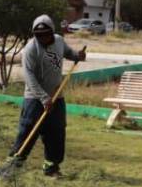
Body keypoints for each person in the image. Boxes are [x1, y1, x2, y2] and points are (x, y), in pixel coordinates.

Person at [9, 14, 86, 177]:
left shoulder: (58, 40)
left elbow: (68, 52)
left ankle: (51, 166)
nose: (43, 38)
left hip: (56, 97)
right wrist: (44, 98)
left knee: (56, 132)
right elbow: (29, 77)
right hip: (35, 98)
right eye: (39, 36)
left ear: (52, 32)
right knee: (28, 131)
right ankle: (14, 164)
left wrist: (77, 56)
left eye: (46, 34)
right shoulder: (30, 49)